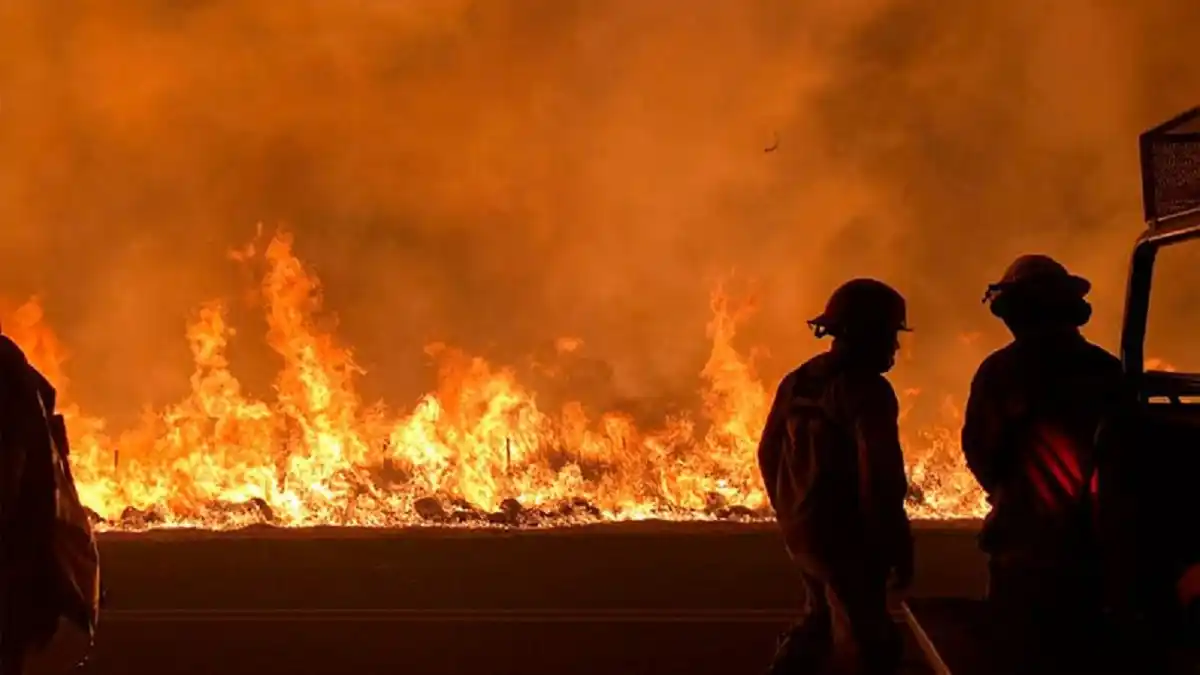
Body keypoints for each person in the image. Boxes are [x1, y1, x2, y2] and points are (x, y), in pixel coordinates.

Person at [964, 254, 1133, 673]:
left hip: (1024, 555)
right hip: (1096, 557)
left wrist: (1008, 493)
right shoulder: (1108, 371)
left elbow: (982, 452)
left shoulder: (1002, 372)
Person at [758, 278, 914, 675]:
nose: (894, 346)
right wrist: (893, 540)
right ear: (868, 334)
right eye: (889, 334)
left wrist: (789, 509)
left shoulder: (799, 380)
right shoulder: (866, 390)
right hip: (848, 537)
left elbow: (768, 451)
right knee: (868, 642)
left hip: (804, 531)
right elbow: (879, 474)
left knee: (820, 617)